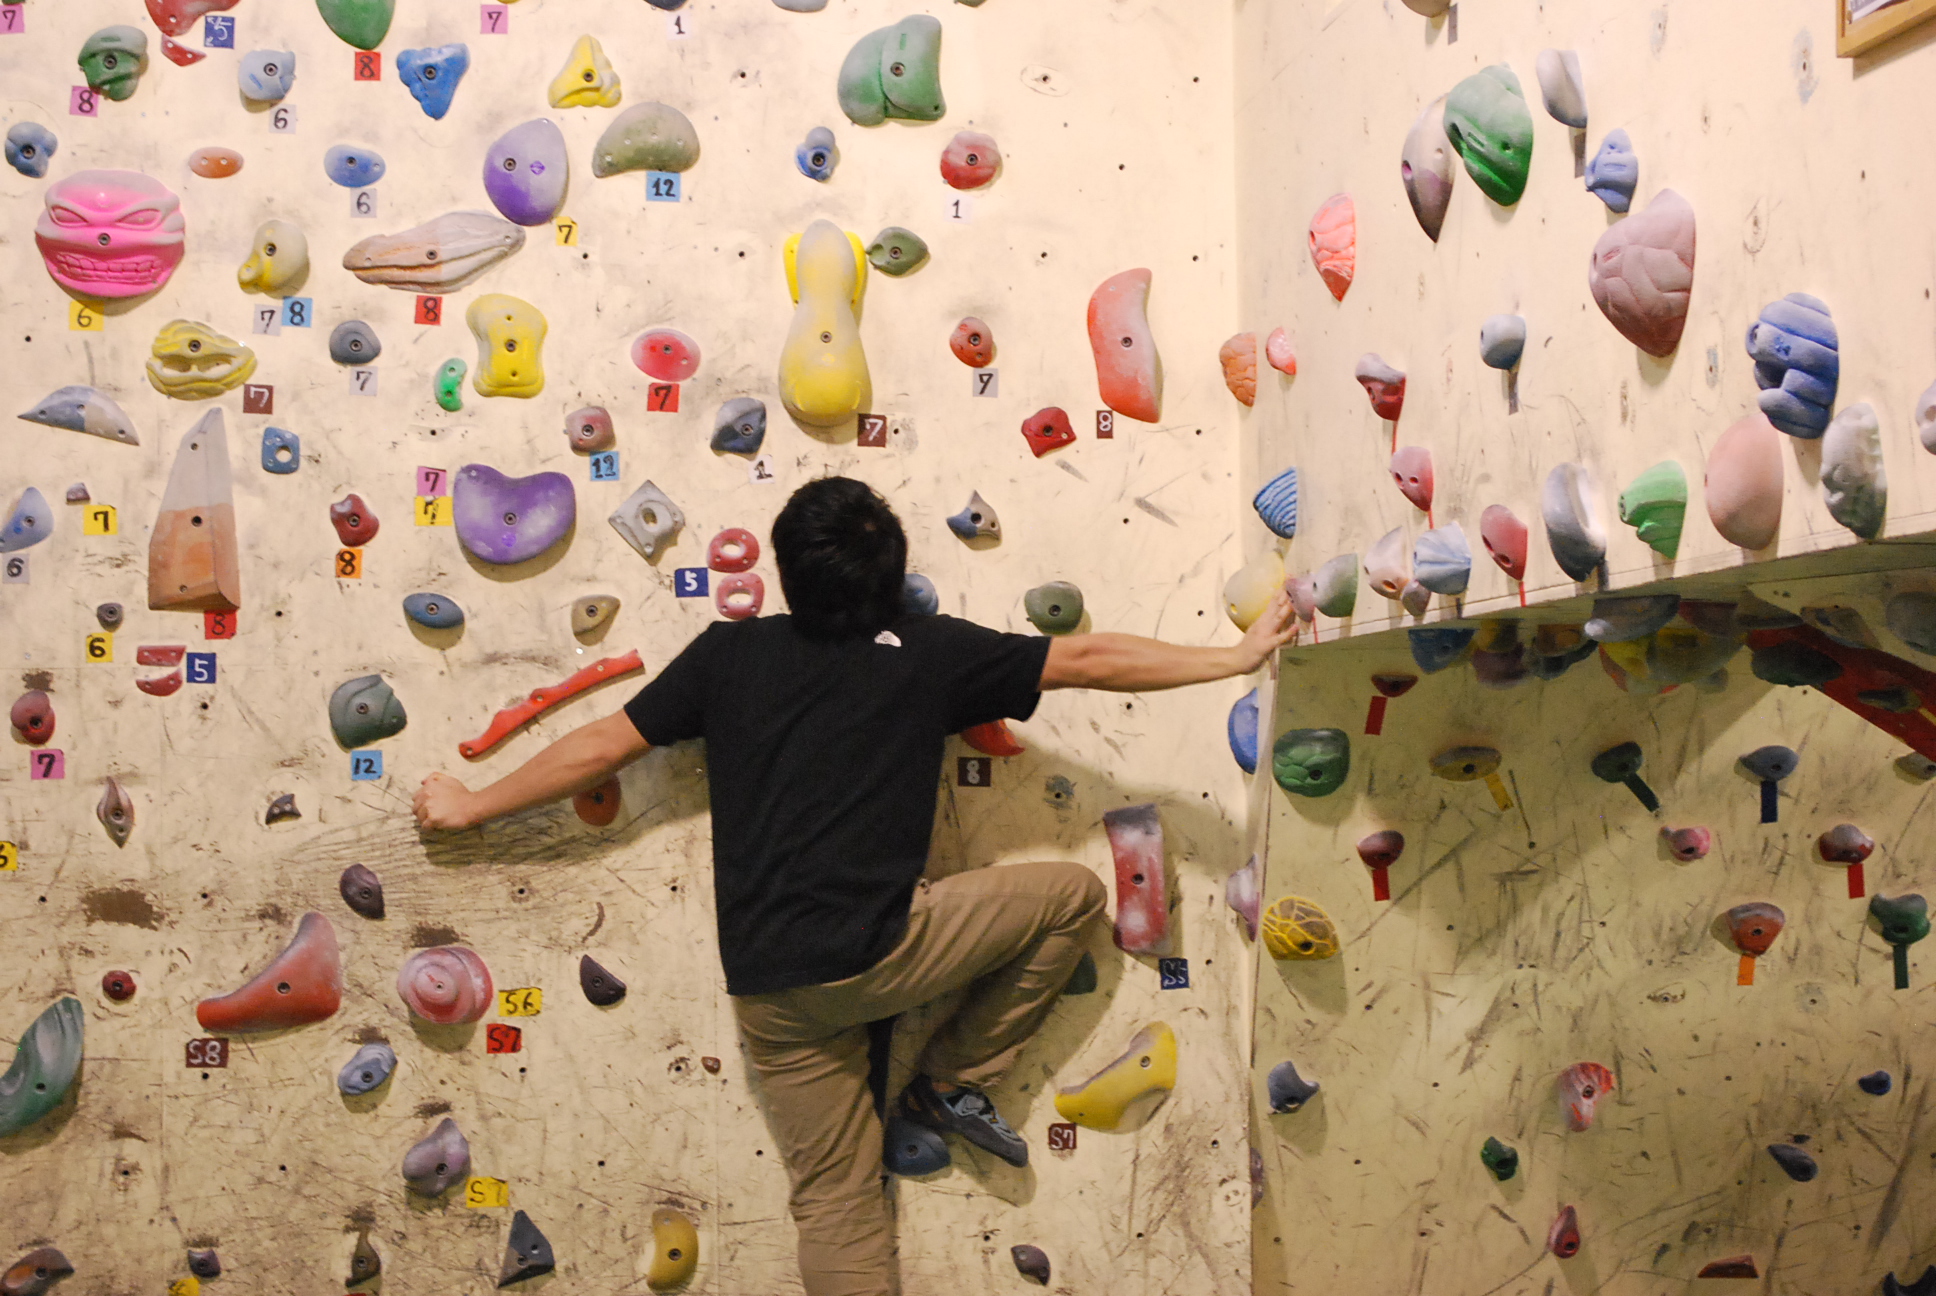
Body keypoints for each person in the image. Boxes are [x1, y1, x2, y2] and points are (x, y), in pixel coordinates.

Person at [414, 475, 1296, 1296]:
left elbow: (602, 746)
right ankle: (952, 1078)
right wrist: (1233, 658)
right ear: (894, 573)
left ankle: (937, 1091)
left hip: (772, 989)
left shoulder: (727, 655)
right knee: (1071, 898)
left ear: (785, 571)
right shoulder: (929, 653)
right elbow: (1090, 656)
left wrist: (473, 804)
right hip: (888, 950)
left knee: (835, 1201)